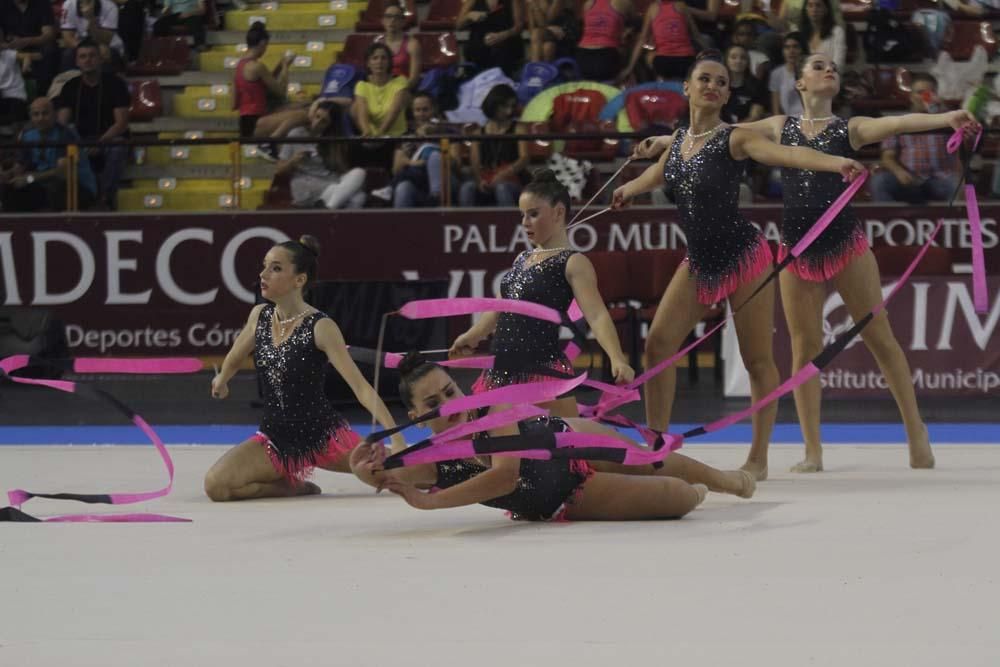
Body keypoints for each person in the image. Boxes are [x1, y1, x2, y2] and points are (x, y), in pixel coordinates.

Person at [616, 53, 864, 478]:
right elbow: (659, 174)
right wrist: (628, 188)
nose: (712, 85)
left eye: (721, 82)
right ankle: (656, 447)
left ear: (728, 93)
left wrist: (834, 162)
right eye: (704, 79)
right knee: (658, 344)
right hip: (700, 260)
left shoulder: (734, 139)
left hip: (744, 257)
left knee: (757, 360)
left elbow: (788, 155)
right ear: (687, 88)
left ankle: (758, 458)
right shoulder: (676, 143)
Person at [732, 54, 975, 474]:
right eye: (818, 66)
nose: (829, 71)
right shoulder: (779, 127)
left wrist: (948, 117)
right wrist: (671, 142)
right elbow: (724, 135)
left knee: (880, 337)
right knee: (804, 347)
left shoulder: (851, 129)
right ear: (800, 83)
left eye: (833, 68)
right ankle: (813, 449)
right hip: (796, 249)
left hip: (846, 244)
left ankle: (916, 433)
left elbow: (899, 124)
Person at [349, 353, 756, 522]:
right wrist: (366, 471)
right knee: (678, 498)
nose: (449, 403)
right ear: (417, 416)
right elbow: (396, 478)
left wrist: (431, 502)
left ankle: (727, 481)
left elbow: (505, 476)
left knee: (650, 461)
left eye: (451, 391)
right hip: (563, 493)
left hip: (567, 439)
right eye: (433, 402)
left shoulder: (493, 409)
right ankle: (699, 490)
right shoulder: (433, 457)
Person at [204, 236, 406, 501]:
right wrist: (223, 380)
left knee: (403, 473)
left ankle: (460, 462)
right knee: (216, 486)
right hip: (274, 439)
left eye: (275, 268)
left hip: (324, 437)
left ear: (299, 280)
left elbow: (361, 388)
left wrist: (397, 437)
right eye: (264, 266)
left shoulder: (321, 327)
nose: (263, 274)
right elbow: (235, 354)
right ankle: (290, 486)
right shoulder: (260, 317)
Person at [450, 169, 636, 417]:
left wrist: (617, 358)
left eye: (533, 214)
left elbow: (597, 315)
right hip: (499, 369)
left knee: (563, 449)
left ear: (559, 212)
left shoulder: (573, 262)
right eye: (522, 215)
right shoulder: (522, 258)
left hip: (542, 373)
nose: (525, 222)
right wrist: (472, 335)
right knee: (493, 449)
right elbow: (500, 308)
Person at [54, 39, 129, 209]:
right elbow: (62, 123)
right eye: (83, 57)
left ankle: (103, 198)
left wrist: (100, 142)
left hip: (109, 139)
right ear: (77, 62)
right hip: (80, 140)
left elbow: (121, 123)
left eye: (92, 56)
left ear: (100, 59)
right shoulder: (70, 86)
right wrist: (78, 144)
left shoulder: (116, 84)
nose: (87, 60)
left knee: (117, 148)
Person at [870, 74, 961, 204]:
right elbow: (887, 156)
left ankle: (954, 222)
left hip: (941, 179)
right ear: (912, 97)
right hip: (910, 179)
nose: (925, 96)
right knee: (880, 181)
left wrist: (942, 109)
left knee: (957, 183)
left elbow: (966, 142)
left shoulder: (947, 119)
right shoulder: (899, 122)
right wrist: (899, 171)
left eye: (930, 92)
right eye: (920, 93)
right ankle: (887, 220)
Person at [0, 96, 97, 211]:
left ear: (55, 115)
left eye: (45, 113)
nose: (40, 118)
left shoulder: (65, 134)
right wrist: (9, 175)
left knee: (56, 188)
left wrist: (30, 178)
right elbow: (21, 166)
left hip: (78, 187)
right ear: (31, 117)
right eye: (36, 114)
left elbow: (62, 173)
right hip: (44, 184)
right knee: (11, 189)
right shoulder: (27, 136)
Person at [275, 101, 367, 209]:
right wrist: (293, 161)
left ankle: (328, 208)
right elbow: (279, 169)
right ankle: (332, 209)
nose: (317, 122)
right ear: (313, 114)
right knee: (358, 197)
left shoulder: (333, 140)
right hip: (306, 184)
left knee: (359, 172)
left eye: (323, 121)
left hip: (331, 181)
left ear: (330, 125)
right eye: (317, 116)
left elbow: (340, 170)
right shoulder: (295, 134)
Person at [459, 83, 528, 207]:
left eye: (512, 106)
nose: (509, 111)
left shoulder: (518, 129)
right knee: (467, 187)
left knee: (502, 188)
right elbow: (475, 164)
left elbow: (524, 159)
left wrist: (503, 174)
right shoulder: (478, 133)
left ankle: (508, 224)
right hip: (487, 178)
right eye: (504, 106)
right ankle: (465, 224)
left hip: (513, 179)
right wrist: (480, 181)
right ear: (493, 105)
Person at [350, 42, 410, 168]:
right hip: (372, 137)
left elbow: (394, 111)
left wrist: (381, 135)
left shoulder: (400, 81)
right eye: (375, 58)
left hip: (395, 136)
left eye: (384, 58)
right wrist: (367, 134)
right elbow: (362, 113)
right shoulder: (362, 85)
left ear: (389, 62)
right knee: (354, 148)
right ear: (368, 63)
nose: (379, 62)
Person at [233, 22, 294, 138]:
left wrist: (279, 66)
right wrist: (286, 67)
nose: (265, 50)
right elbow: (281, 92)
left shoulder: (238, 67)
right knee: (299, 115)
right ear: (262, 43)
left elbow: (233, 104)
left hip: (243, 122)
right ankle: (271, 144)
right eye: (266, 46)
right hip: (257, 121)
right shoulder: (257, 66)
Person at [618, 0, 701, 83]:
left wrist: (629, 67)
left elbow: (642, 39)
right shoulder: (681, 6)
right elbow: (696, 34)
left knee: (648, 56)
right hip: (687, 61)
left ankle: (653, 84)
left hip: (664, 63)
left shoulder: (653, 9)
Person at [0, 0, 59, 95]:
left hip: (38, 45)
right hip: (12, 48)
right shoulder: (2, 5)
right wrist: (10, 46)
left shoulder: (42, 4)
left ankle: (43, 95)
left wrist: (25, 41)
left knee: (50, 50)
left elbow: (49, 35)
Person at [457, 0, 525, 77]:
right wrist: (469, 16)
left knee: (503, 50)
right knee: (473, 48)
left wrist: (501, 36)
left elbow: (519, 27)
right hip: (479, 44)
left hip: (506, 41)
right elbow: (458, 25)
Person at [575, 0, 634, 82]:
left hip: (583, 57)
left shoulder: (588, 4)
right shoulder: (624, 2)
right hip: (606, 57)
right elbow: (636, 23)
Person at [59, 0, 125, 70]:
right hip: (81, 43)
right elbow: (68, 38)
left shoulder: (110, 7)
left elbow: (105, 40)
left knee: (105, 55)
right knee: (68, 54)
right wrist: (86, 49)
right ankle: (69, 79)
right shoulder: (68, 4)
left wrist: (91, 18)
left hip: (109, 45)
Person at [380, 2, 421, 89]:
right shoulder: (377, 44)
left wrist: (395, 91)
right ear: (383, 21)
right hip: (381, 88)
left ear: (403, 22)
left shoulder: (412, 44)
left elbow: (413, 79)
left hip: (403, 89)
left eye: (396, 17)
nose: (392, 20)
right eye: (388, 16)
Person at [722, 44, 766, 124]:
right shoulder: (718, 85)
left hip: (747, 130)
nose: (738, 61)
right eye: (733, 57)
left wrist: (732, 129)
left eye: (743, 58)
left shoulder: (757, 85)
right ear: (726, 61)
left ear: (748, 62)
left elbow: (755, 117)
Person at [799, 0, 845, 69]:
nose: (814, 9)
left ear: (826, 9)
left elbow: (838, 64)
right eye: (810, 5)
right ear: (806, 9)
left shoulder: (837, 32)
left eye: (818, 5)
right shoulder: (799, 33)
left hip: (829, 77)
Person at [769, 32, 806, 116]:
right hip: (788, 122)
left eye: (795, 47)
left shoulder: (811, 71)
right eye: (787, 47)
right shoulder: (776, 74)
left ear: (802, 49)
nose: (791, 51)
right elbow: (776, 110)